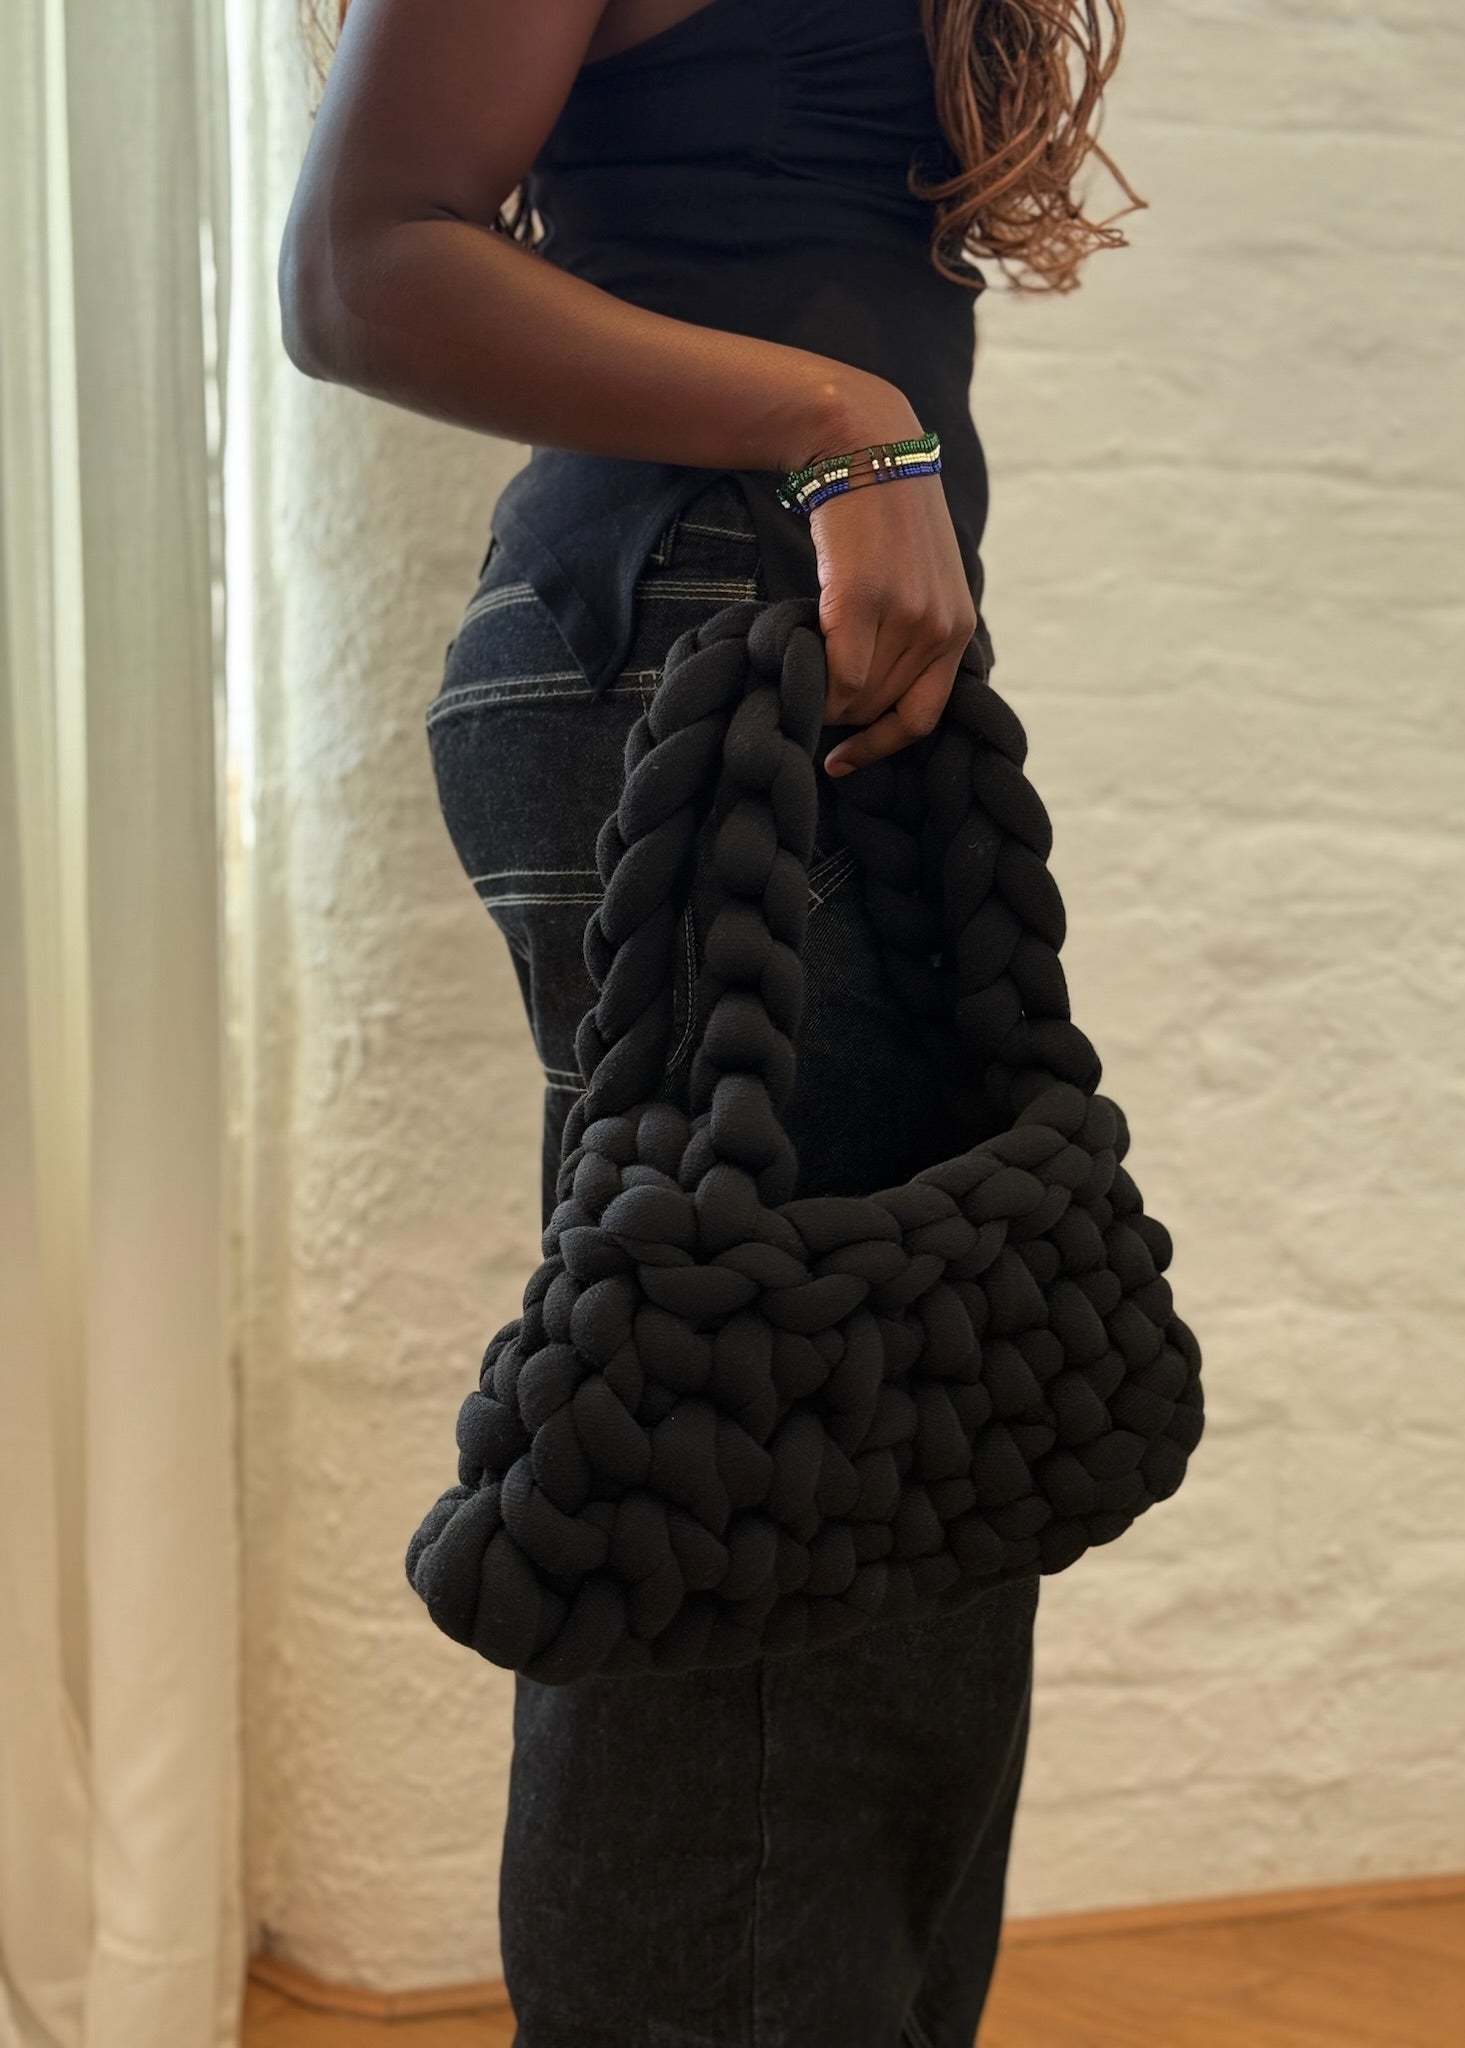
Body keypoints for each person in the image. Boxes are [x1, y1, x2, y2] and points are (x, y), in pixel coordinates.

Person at [280, 4, 1142, 2041]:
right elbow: (360, 259)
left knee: (901, 1460)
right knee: (745, 1490)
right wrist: (850, 421)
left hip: (783, 657)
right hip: (695, 641)